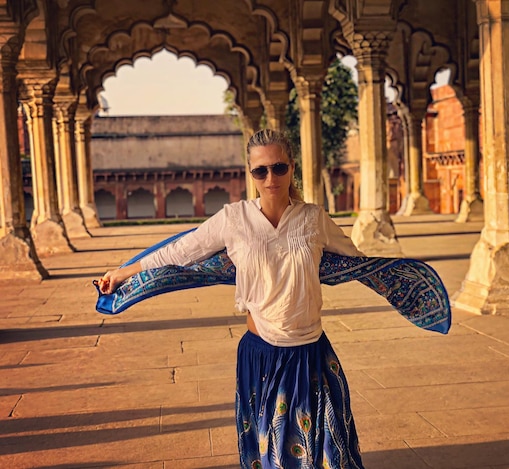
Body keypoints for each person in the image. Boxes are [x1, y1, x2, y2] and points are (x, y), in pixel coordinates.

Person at [98, 129, 366, 469]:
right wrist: (124, 272)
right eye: (261, 170)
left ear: (292, 168)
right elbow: (181, 251)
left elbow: (357, 261)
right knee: (277, 457)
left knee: (331, 455)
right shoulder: (233, 219)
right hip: (263, 355)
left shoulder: (314, 219)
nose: (271, 178)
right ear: (250, 173)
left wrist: (400, 276)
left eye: (279, 168)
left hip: (311, 353)